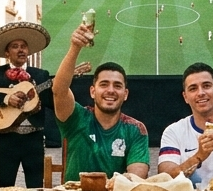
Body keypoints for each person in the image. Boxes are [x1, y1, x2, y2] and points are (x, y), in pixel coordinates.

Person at [52, 22, 150, 181]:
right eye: (104, 84)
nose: (110, 90)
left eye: (117, 86)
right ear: (92, 91)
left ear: (125, 94)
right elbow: (59, 91)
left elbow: (137, 175)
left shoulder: (135, 129)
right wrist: (75, 47)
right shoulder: (77, 118)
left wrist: (103, 190)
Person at [0, 23, 52, 188]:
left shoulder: (41, 75)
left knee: (36, 187)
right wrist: (7, 99)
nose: (21, 50)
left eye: (23, 46)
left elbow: (51, 102)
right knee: (4, 187)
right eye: (15, 46)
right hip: (7, 137)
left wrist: (51, 92)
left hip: (34, 138)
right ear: (7, 53)